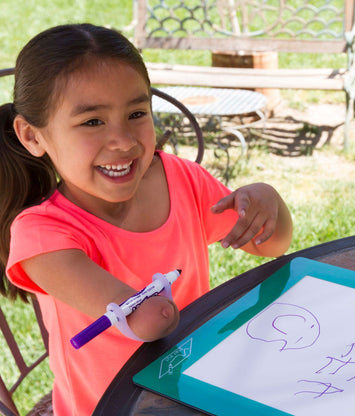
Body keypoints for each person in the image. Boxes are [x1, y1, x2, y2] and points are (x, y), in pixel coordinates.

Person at [0, 23, 292, 416]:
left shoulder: (181, 178)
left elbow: (272, 244)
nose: (124, 140)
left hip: (194, 387)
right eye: (92, 121)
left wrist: (269, 202)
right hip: (111, 408)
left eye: (137, 113)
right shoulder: (42, 236)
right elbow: (151, 322)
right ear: (33, 136)